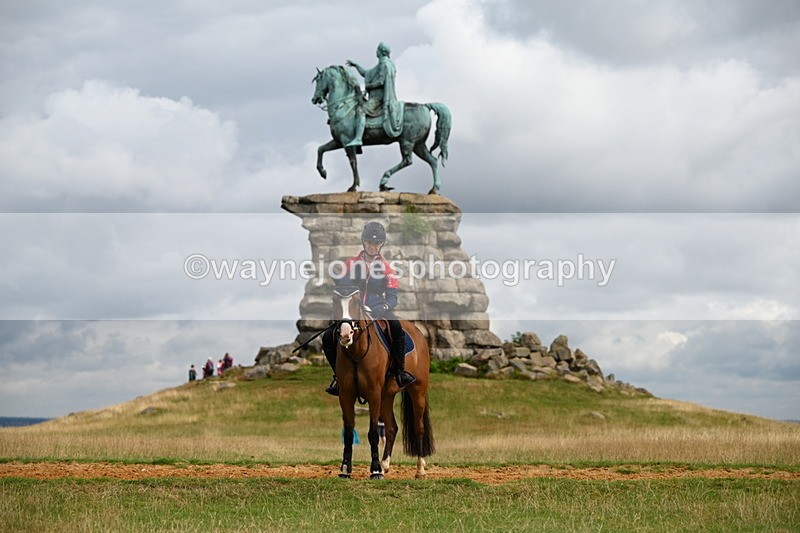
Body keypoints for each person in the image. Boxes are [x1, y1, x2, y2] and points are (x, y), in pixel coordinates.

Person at [323, 221, 416, 395]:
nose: (373, 246)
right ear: (363, 242)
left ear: (382, 245)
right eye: (369, 242)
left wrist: (383, 308)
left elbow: (393, 298)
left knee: (396, 327)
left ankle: (399, 372)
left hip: (377, 308)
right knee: (328, 335)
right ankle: (338, 377)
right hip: (352, 310)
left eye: (376, 243)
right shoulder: (350, 264)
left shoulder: (388, 270)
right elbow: (342, 287)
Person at [345, 42, 404, 147]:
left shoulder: (384, 64)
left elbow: (381, 81)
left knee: (361, 110)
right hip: (377, 97)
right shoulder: (386, 64)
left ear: (381, 52)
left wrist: (369, 86)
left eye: (377, 50)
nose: (376, 51)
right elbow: (366, 73)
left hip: (379, 99)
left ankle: (358, 138)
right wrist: (356, 65)